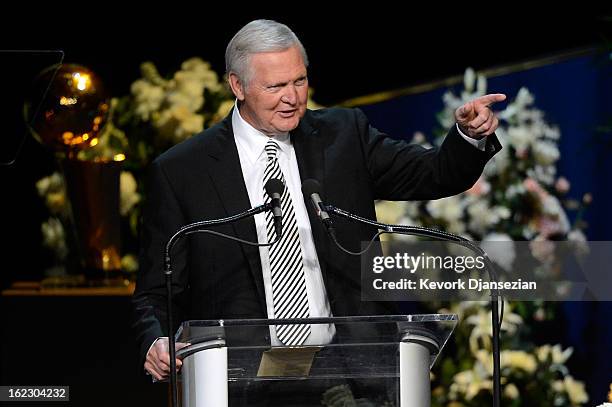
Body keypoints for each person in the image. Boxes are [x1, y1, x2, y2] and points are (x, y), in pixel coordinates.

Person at [132, 19, 505, 381]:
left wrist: (467, 135)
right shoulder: (183, 171)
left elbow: (435, 172)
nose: (292, 98)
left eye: (300, 80)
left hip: (351, 373)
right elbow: (156, 292)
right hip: (242, 382)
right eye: (276, 86)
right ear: (237, 85)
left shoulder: (344, 136)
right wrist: (156, 340)